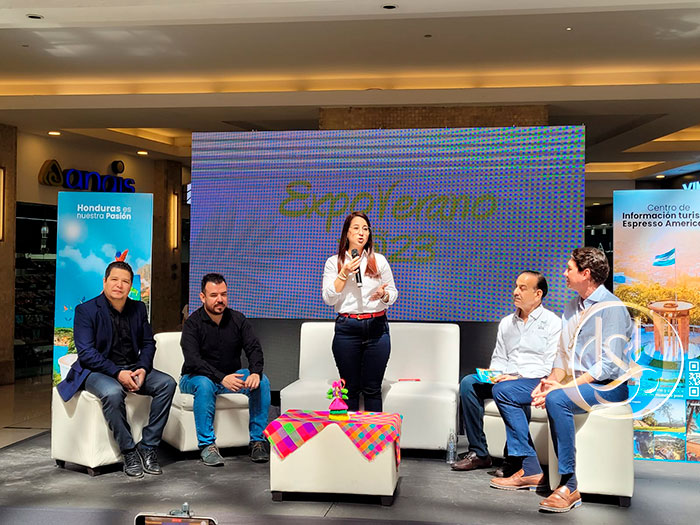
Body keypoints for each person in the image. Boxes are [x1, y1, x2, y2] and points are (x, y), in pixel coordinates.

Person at [527, 247, 633, 513]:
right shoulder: (572, 306)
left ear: (586, 274)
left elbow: (609, 365)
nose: (564, 273)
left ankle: (569, 485)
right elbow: (563, 354)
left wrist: (565, 388)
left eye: (569, 269)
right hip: (579, 381)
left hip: (609, 386)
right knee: (552, 395)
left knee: (558, 399)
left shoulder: (611, 308)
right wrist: (550, 383)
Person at [57, 261, 177, 478]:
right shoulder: (86, 310)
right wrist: (117, 373)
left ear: (130, 286)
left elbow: (148, 343)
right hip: (94, 371)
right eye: (114, 279)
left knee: (167, 384)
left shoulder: (138, 309)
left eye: (125, 282)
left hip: (132, 367)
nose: (119, 285)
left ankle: (148, 446)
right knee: (113, 392)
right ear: (104, 281)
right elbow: (86, 353)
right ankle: (129, 450)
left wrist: (143, 368)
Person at [452, 271, 560, 477]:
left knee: (509, 390)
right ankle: (479, 452)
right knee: (468, 383)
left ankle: (513, 459)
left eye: (522, 288)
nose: (515, 292)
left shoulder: (553, 323)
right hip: (505, 378)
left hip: (536, 380)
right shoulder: (506, 322)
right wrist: (494, 374)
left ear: (538, 294)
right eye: (516, 286)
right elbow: (500, 357)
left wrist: (518, 377)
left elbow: (550, 365)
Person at [180, 273, 272, 465]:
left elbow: (254, 348)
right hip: (195, 377)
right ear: (202, 297)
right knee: (205, 384)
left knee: (262, 381)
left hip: (230, 377)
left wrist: (255, 372)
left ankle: (257, 441)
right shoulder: (192, 323)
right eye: (214, 295)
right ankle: (207, 445)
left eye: (224, 294)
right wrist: (221, 378)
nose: (220, 299)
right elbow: (193, 360)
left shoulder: (238, 319)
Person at [322, 211, 398, 412]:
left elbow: (393, 293)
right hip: (347, 329)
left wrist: (384, 294)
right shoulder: (334, 262)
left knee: (372, 389)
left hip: (377, 328)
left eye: (365, 229)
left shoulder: (379, 260)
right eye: (356, 228)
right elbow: (329, 299)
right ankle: (350, 433)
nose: (361, 233)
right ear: (347, 233)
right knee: (350, 390)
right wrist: (344, 273)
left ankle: (374, 433)